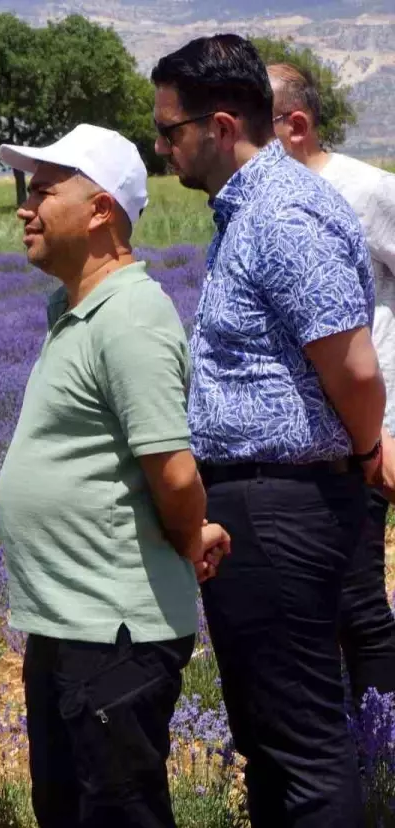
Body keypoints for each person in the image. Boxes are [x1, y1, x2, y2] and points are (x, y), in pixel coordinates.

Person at [151, 34, 386, 826]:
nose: (161, 147)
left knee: (304, 744)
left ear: (220, 126)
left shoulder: (282, 213)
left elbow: (354, 368)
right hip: (260, 499)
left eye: (169, 130)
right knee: (271, 738)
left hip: (283, 500)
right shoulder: (247, 212)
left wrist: (360, 452)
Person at [0, 123, 231, 828]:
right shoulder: (70, 310)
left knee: (118, 814)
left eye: (42, 191)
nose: (23, 208)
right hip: (67, 624)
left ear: (100, 210)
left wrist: (189, 533)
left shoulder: (130, 315)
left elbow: (176, 472)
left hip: (116, 634)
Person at [268, 61, 395, 707]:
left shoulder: (365, 190)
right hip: (303, 441)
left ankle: (379, 761)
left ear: (295, 125)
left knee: (359, 602)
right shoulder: (259, 199)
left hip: (370, 434)